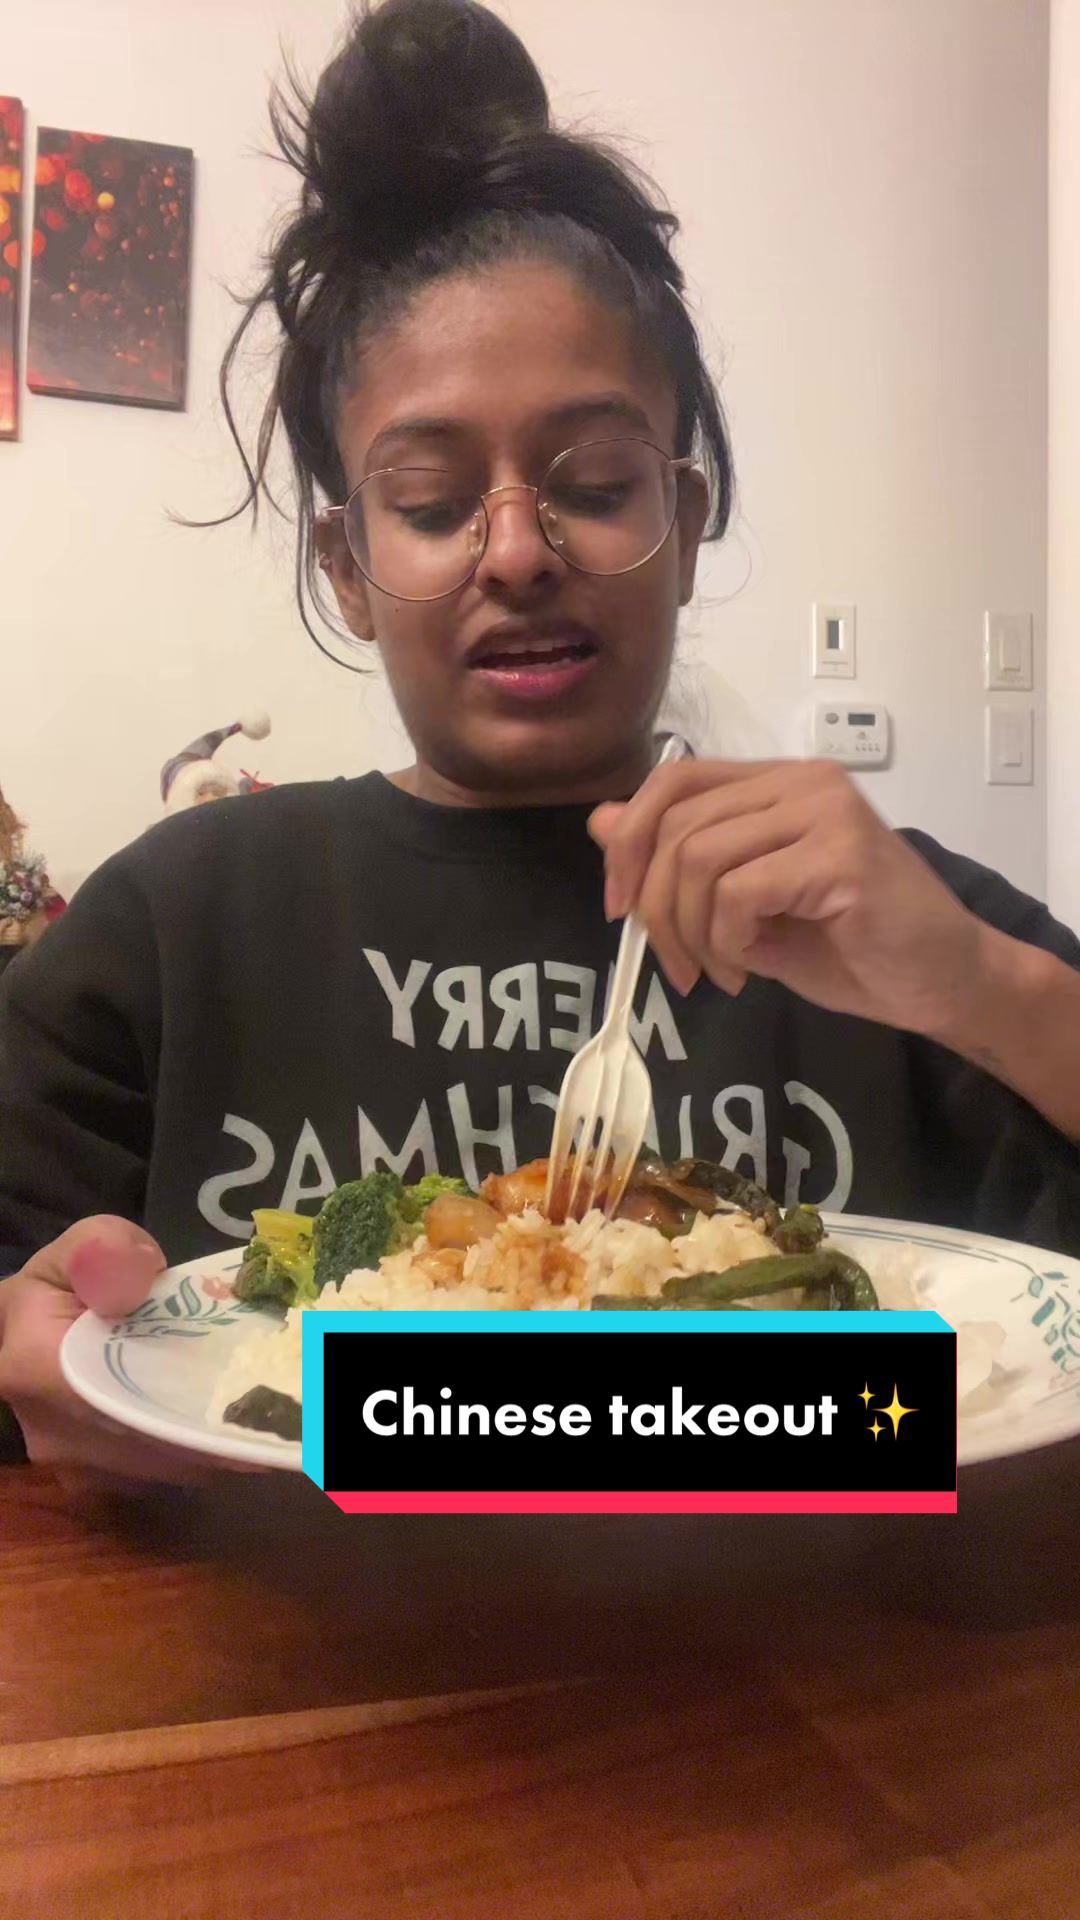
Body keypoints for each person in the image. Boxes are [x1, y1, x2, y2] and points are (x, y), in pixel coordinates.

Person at [1, 0, 1078, 1479]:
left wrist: (980, 982)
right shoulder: (180, 923)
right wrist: (34, 1349)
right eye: (435, 504)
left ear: (685, 519)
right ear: (346, 567)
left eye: (596, 483)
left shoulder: (895, 922)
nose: (516, 551)